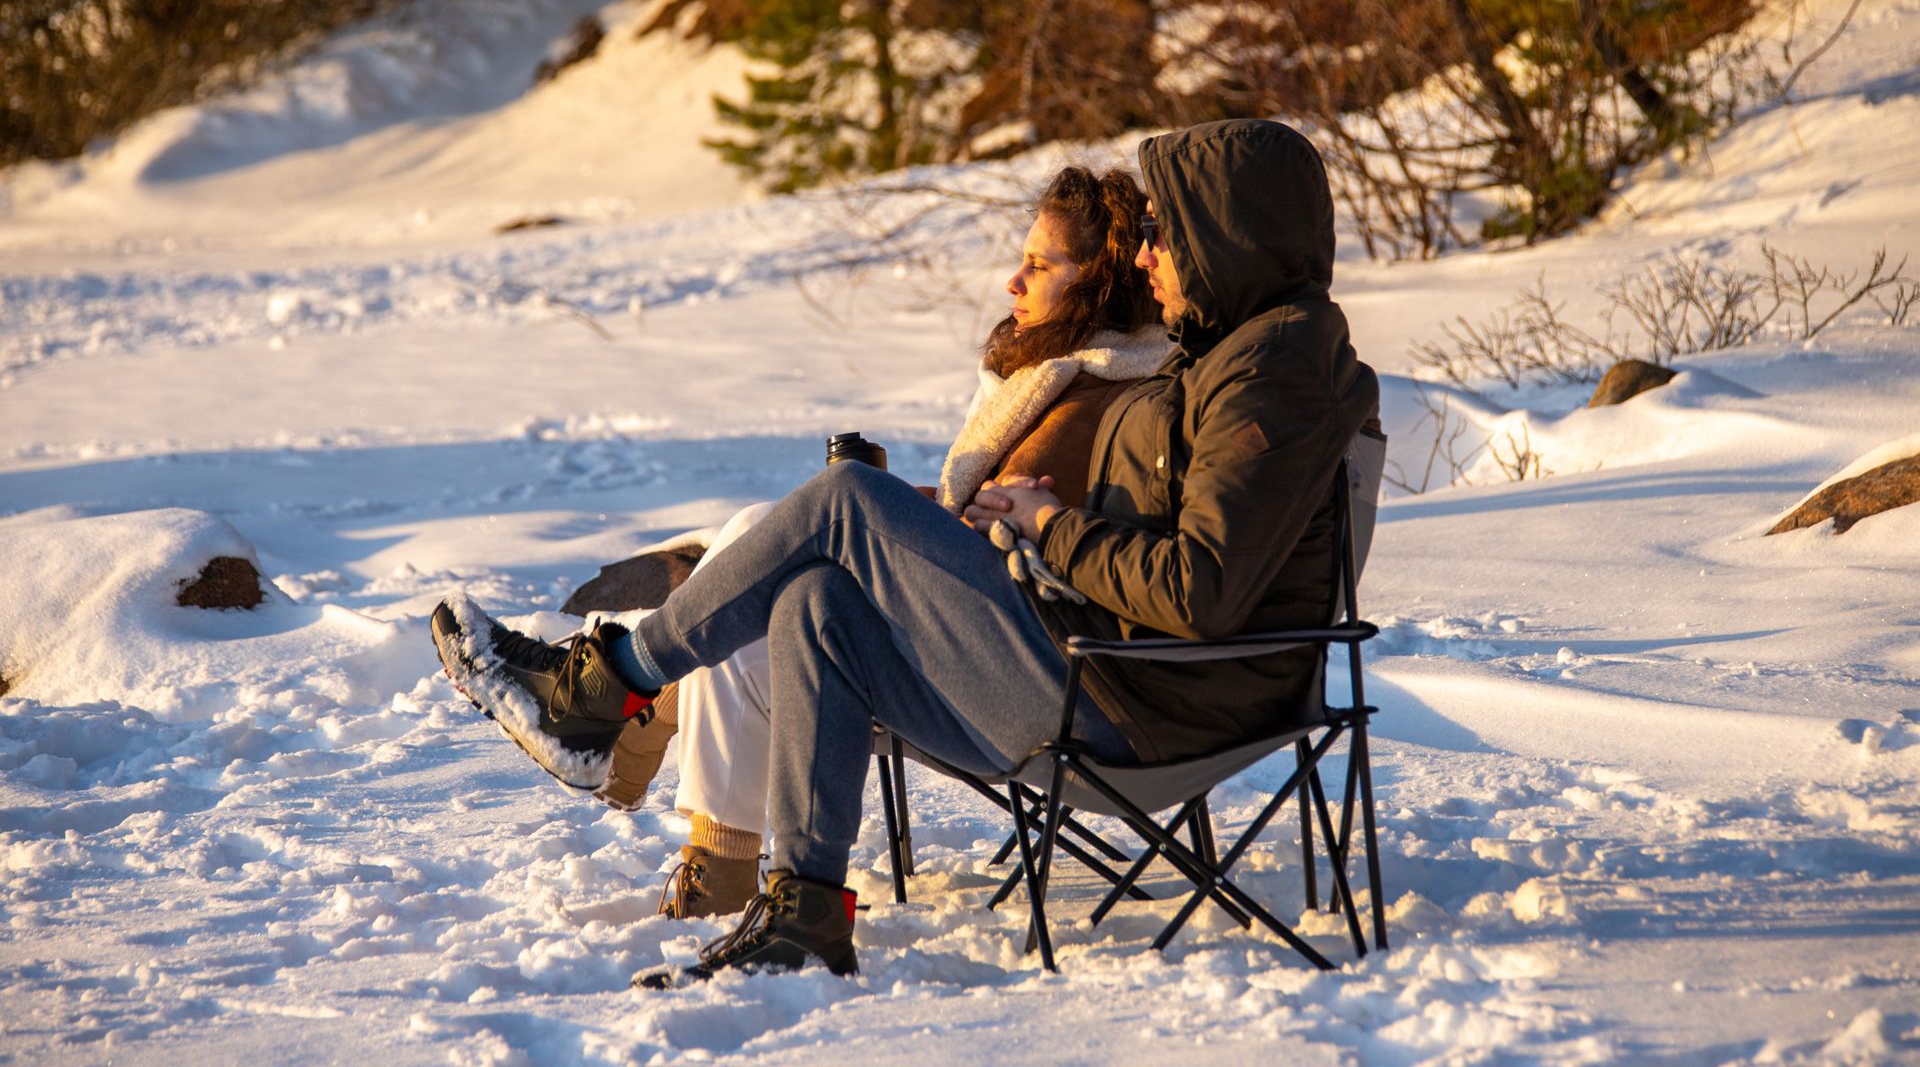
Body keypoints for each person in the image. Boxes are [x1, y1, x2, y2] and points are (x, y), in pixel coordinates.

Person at [432, 118, 1379, 988]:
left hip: (1137, 701)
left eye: (1167, 229)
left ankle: (605, 687)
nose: (1148, 251)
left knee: (846, 499)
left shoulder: (1273, 372)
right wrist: (1041, 521)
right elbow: (1186, 542)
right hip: (1109, 670)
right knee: (815, 606)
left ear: (1232, 234)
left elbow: (1201, 589)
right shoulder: (1236, 354)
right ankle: (804, 914)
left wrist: (1052, 528)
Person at [591, 165, 1170, 919]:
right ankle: (676, 768)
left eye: (1039, 264)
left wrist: (894, 515)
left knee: (782, 569)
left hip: (1021, 676)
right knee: (771, 560)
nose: (1012, 282)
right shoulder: (1062, 373)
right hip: (988, 638)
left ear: (1096, 282)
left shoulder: (1104, 397)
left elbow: (1029, 543)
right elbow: (1000, 518)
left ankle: (644, 712)